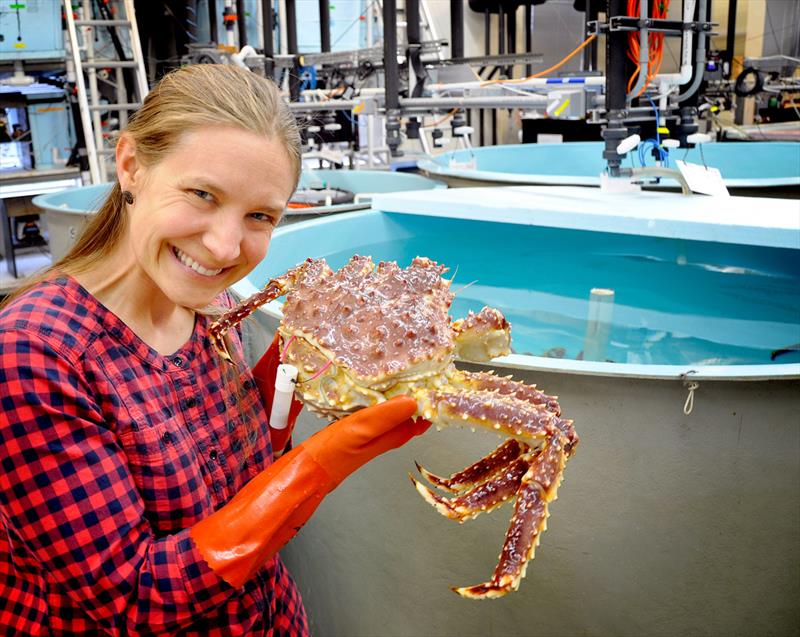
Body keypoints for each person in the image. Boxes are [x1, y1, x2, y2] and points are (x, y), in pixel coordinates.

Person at [0, 64, 430, 636]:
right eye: (202, 194)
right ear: (131, 165)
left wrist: (285, 386)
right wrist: (324, 460)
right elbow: (135, 604)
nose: (225, 245)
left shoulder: (217, 304)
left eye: (260, 216)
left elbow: (237, 486)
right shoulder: (35, 354)